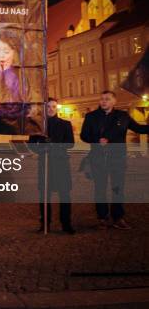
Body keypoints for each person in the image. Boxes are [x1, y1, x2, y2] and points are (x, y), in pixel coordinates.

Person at [81, 90, 149, 230]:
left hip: (117, 159)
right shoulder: (91, 117)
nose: (104, 101)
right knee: (100, 189)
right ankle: (102, 218)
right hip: (98, 158)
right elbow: (84, 135)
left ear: (114, 101)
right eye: (102, 99)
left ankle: (118, 217)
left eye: (107, 99)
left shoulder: (123, 116)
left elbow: (139, 128)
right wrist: (96, 140)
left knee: (117, 189)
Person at [29, 98, 75, 234]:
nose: (51, 109)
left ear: (57, 108)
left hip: (61, 163)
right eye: (48, 107)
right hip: (45, 163)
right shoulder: (38, 125)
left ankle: (66, 224)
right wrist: (42, 150)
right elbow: (31, 144)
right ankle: (45, 224)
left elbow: (70, 143)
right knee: (44, 195)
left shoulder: (65, 124)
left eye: (54, 107)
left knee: (64, 194)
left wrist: (54, 146)